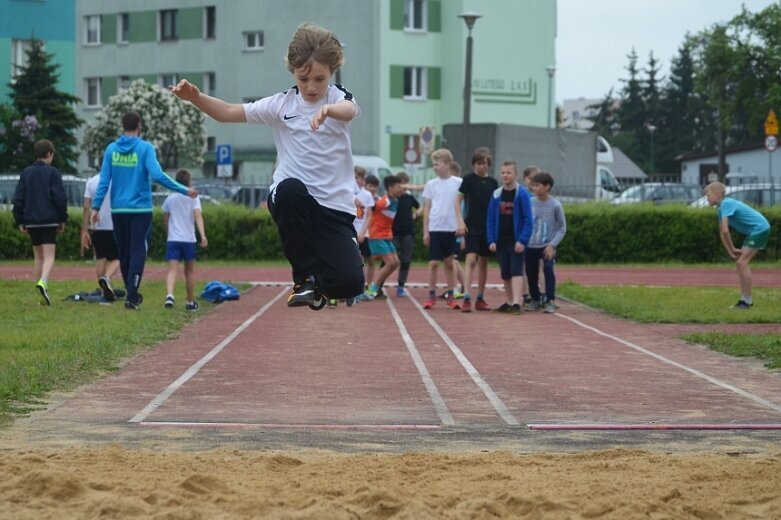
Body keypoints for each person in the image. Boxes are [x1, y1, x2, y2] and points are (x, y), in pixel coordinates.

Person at [171, 23, 364, 309]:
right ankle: (305, 279)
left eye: (319, 79)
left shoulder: (337, 97)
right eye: (304, 78)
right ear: (293, 72)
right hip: (292, 198)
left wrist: (328, 110)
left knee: (350, 285)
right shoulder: (281, 105)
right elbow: (227, 112)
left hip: (334, 207)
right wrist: (196, 98)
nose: (311, 87)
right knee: (289, 190)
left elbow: (349, 110)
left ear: (332, 73)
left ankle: (321, 282)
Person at [91, 111, 196, 311]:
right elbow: (157, 175)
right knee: (137, 248)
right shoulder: (145, 148)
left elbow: (104, 181)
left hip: (119, 209)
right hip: (140, 209)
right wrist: (184, 189)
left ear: (122, 126)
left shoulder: (111, 149)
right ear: (139, 125)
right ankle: (131, 295)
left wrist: (96, 207)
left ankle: (131, 293)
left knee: (123, 250)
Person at [12, 139, 68, 306]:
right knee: (49, 256)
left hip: (31, 221)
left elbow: (18, 199)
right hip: (50, 220)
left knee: (38, 256)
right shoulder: (53, 172)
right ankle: (43, 281)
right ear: (49, 154)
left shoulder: (26, 173)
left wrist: (19, 220)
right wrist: (62, 218)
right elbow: (60, 197)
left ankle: (40, 293)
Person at [705, 181, 771, 309]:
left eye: (708, 194)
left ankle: (746, 301)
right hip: (756, 230)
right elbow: (722, 233)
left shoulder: (726, 203)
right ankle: (744, 301)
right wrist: (731, 250)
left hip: (759, 229)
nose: (706, 197)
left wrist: (733, 249)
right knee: (741, 263)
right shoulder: (721, 208)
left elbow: (725, 230)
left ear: (718, 194)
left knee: (742, 263)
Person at [486, 160, 533, 314]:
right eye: (503, 172)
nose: (505, 175)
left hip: (516, 241)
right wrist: (491, 239)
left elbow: (528, 220)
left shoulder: (522, 194)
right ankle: (509, 301)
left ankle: (517, 303)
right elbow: (491, 219)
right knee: (505, 273)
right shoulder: (496, 194)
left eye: (509, 172)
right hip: (501, 240)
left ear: (516, 174)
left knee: (516, 271)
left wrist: (522, 240)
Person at [455, 148, 498, 312]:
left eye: (485, 163)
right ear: (474, 164)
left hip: (487, 227)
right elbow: (457, 201)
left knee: (484, 261)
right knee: (471, 259)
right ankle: (466, 296)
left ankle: (480, 297)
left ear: (488, 165)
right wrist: (460, 222)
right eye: (479, 163)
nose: (482, 166)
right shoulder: (468, 180)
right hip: (471, 225)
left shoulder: (493, 183)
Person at [421, 148, 462, 310]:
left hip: (451, 228)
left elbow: (462, 204)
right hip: (435, 227)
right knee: (433, 263)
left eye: (437, 164)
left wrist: (461, 225)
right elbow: (427, 208)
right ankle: (431, 295)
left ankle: (451, 295)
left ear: (447, 164)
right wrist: (425, 230)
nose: (435, 167)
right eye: (434, 165)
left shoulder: (458, 183)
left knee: (450, 263)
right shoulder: (431, 184)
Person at [163, 169, 208, 311]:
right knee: (189, 272)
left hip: (173, 238)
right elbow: (197, 216)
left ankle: (170, 294)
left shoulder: (170, 198)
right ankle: (190, 301)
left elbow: (165, 218)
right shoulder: (193, 197)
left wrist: (168, 232)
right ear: (189, 182)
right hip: (189, 239)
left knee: (172, 270)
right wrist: (203, 235)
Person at [524, 171, 567, 313]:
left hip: (547, 245)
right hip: (531, 244)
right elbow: (525, 222)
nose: (534, 188)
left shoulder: (555, 205)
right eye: (533, 186)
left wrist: (552, 244)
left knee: (548, 269)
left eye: (537, 186)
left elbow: (562, 228)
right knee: (531, 272)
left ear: (547, 187)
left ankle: (550, 300)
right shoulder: (530, 203)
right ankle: (535, 299)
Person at [361, 174, 404, 299]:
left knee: (396, 263)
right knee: (390, 263)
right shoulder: (385, 201)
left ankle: (376, 286)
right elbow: (372, 208)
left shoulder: (395, 200)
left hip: (387, 235)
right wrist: (367, 198)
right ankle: (372, 288)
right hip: (377, 235)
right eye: (398, 187)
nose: (401, 189)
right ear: (390, 188)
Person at [81, 173, 120, 301]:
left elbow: (86, 207)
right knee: (118, 257)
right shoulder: (116, 180)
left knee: (100, 258)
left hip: (97, 225)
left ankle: (104, 293)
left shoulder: (91, 182)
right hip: (114, 224)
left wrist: (85, 230)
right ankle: (106, 278)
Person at [392, 171, 420, 297]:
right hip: (394, 232)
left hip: (408, 232)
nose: (403, 187)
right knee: (389, 258)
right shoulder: (393, 198)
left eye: (405, 184)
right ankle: (379, 285)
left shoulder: (409, 198)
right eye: (400, 184)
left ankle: (401, 285)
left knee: (406, 259)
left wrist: (416, 213)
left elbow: (419, 206)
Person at [520, 165, 540, 305]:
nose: (533, 182)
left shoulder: (540, 195)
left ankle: (541, 294)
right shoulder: (521, 193)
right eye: (530, 178)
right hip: (524, 235)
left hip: (539, 237)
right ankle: (525, 293)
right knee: (523, 265)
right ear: (524, 178)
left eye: (536, 179)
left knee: (540, 266)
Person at [357, 174, 380, 293]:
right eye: (370, 186)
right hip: (353, 232)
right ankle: (357, 288)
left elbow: (370, 215)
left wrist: (363, 231)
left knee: (370, 259)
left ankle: (368, 286)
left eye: (375, 186)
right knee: (358, 261)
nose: (372, 188)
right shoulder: (350, 192)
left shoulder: (370, 197)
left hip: (367, 234)